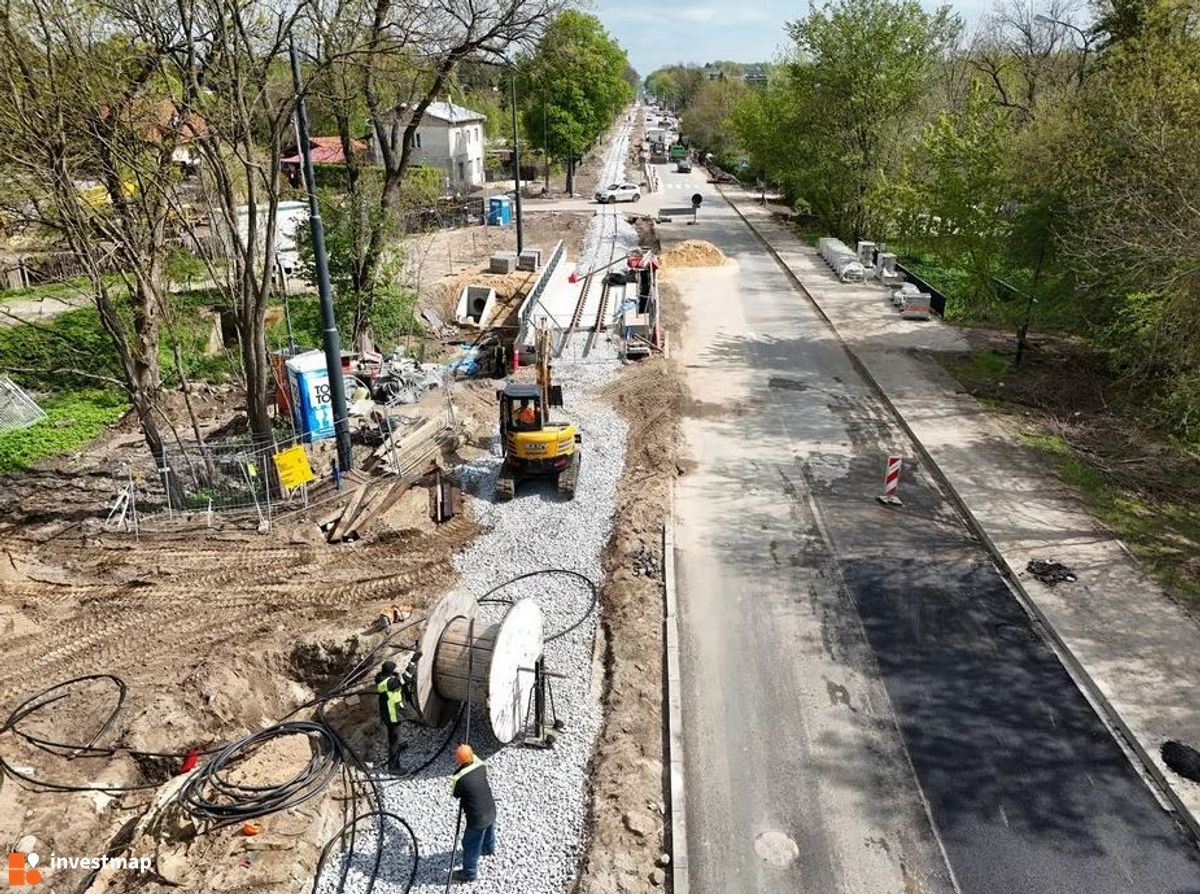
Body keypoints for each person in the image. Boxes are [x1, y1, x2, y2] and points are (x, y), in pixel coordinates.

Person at [449, 744, 496, 882]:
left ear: (458, 760)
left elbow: (455, 794)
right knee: (488, 829)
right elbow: (474, 758)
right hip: (490, 808)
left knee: (470, 843)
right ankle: (488, 848)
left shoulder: (458, 778)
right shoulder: (481, 766)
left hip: (477, 817)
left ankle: (469, 873)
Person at [374, 657, 417, 773]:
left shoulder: (384, 678)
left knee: (395, 736)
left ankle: (399, 745)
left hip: (390, 713)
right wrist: (412, 663)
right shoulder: (388, 683)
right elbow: (406, 678)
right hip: (392, 716)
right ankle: (393, 767)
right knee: (394, 740)